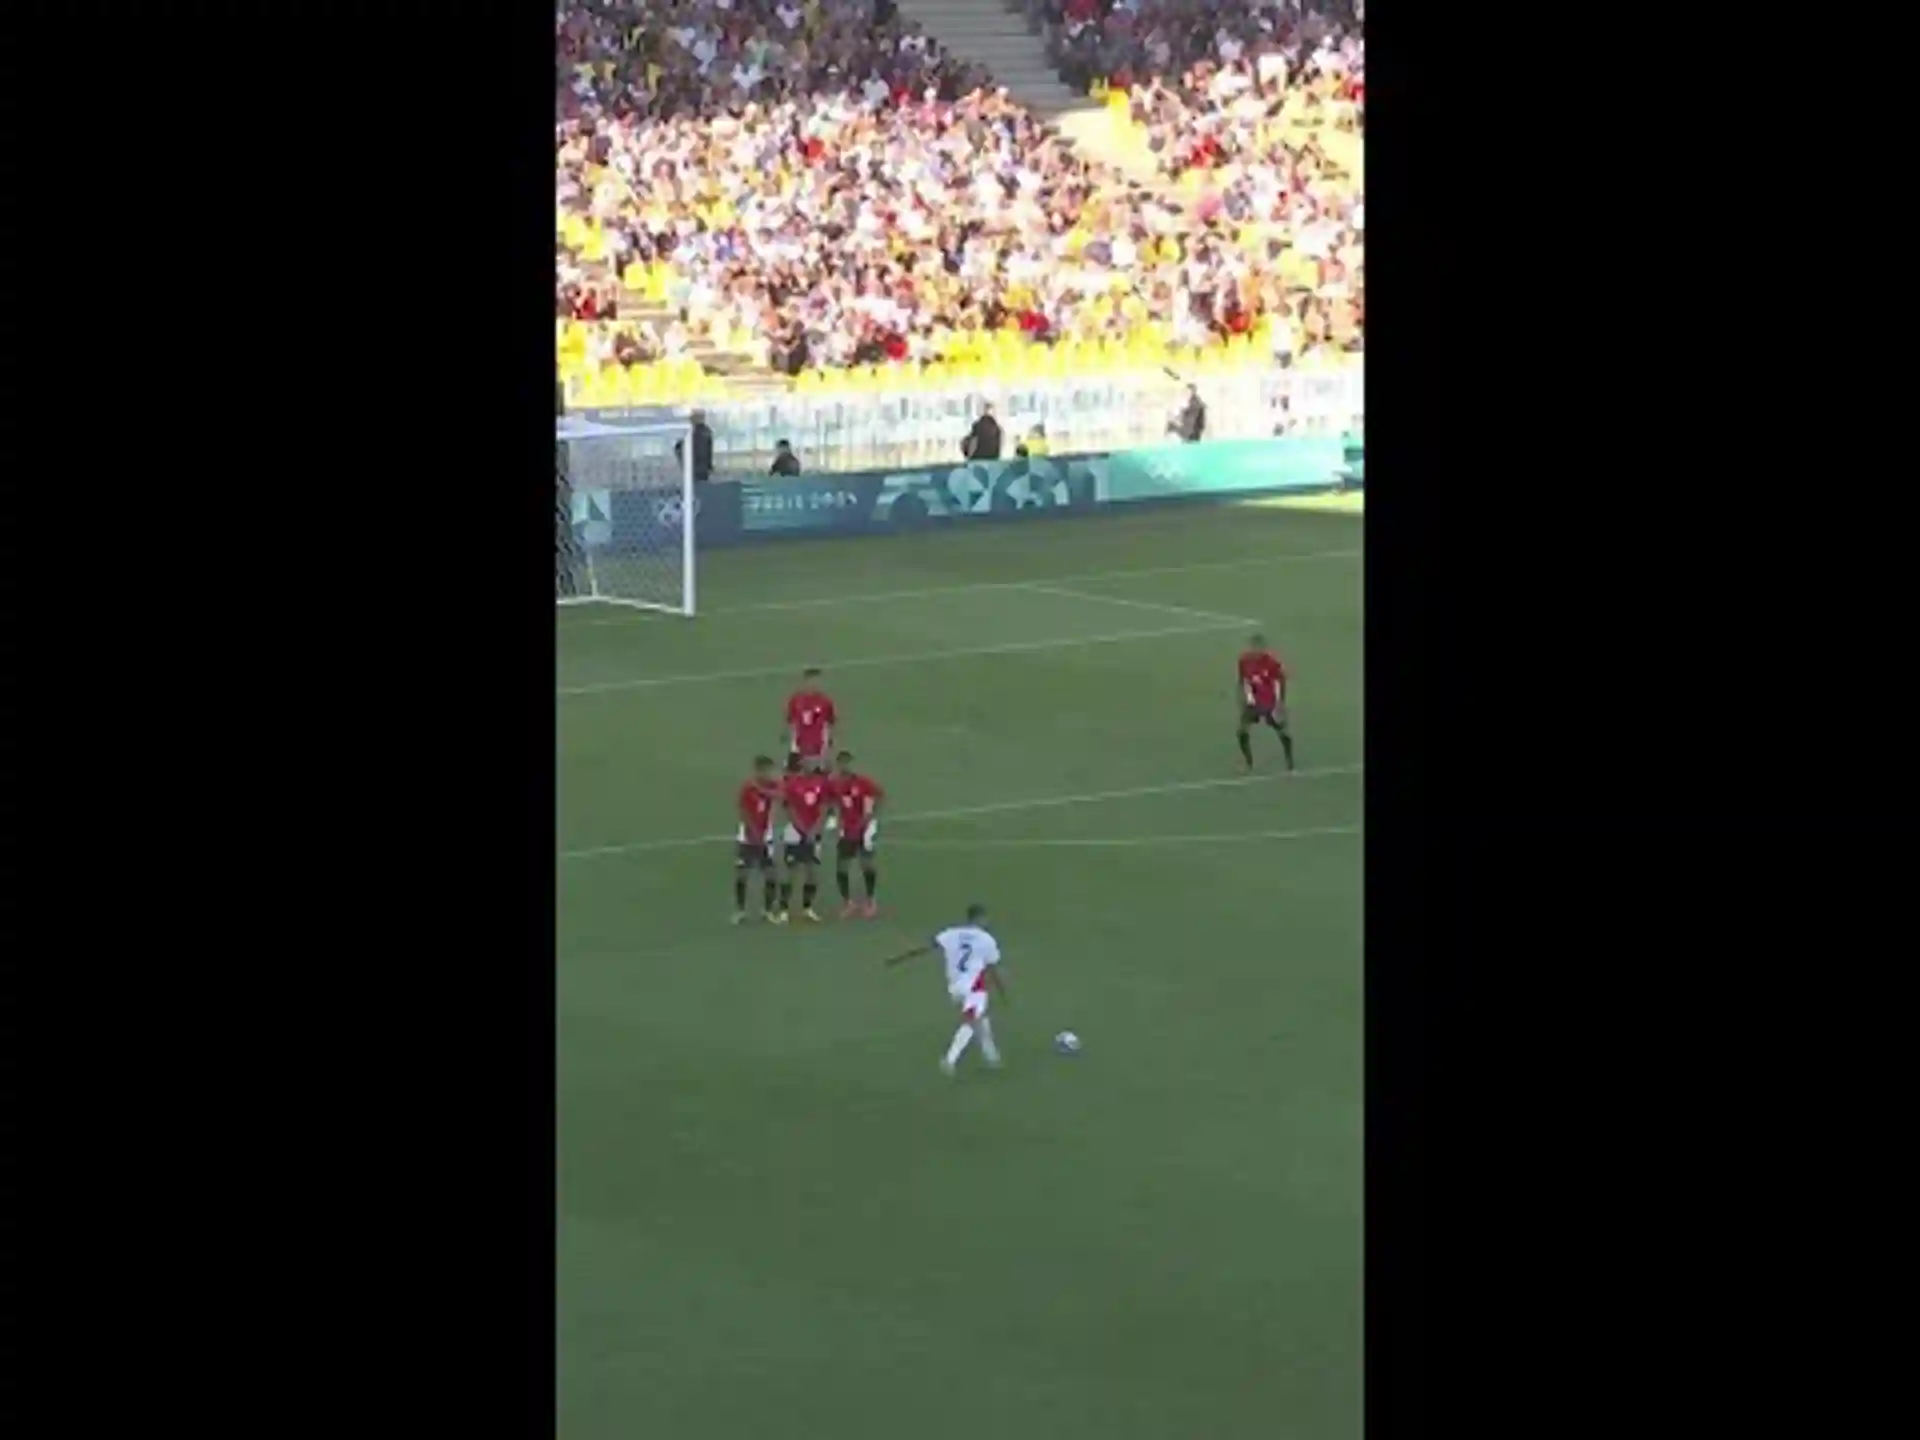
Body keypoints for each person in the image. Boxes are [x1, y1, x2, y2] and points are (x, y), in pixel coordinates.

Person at [884, 903, 1007, 1075]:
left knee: (980, 1019)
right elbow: (993, 969)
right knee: (972, 1021)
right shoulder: (986, 939)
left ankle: (992, 1057)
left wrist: (897, 959)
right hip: (974, 986)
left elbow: (923, 948)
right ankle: (949, 1060)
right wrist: (1003, 993)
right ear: (980, 918)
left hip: (955, 987)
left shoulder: (951, 933)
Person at [827, 750, 885, 918]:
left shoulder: (863, 782)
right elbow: (831, 801)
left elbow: (877, 797)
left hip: (863, 828)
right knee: (842, 866)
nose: (845, 766)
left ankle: (871, 901)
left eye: (848, 763)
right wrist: (833, 821)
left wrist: (871, 820)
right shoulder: (834, 783)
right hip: (847, 829)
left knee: (866, 863)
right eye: (842, 763)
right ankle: (848, 903)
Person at [774, 764, 835, 924]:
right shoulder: (792, 783)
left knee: (812, 872)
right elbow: (790, 809)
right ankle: (783, 910)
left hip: (813, 834)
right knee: (791, 872)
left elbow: (824, 808)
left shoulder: (821, 784)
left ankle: (807, 908)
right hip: (794, 833)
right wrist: (802, 829)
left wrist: (815, 830)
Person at [731, 756, 783, 925]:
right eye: (764, 770)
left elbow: (780, 796)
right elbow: (743, 811)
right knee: (742, 873)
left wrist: (760, 789)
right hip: (747, 836)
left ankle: (767, 911)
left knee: (770, 874)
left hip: (766, 835)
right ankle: (740, 911)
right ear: (757, 770)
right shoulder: (747, 788)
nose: (768, 774)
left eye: (769, 770)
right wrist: (752, 832)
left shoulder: (770, 786)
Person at [1236, 632, 1296, 772]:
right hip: (1253, 702)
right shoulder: (1244, 660)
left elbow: (1280, 682)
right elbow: (1243, 680)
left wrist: (1280, 704)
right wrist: (1243, 698)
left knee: (1282, 732)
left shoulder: (1272, 662)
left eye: (1259, 648)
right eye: (1253, 647)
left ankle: (1290, 762)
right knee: (1242, 731)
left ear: (1263, 648)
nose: (1256, 651)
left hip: (1270, 702)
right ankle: (1248, 763)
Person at [782, 667, 837, 774]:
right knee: (792, 775)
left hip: (819, 745)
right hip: (798, 745)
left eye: (817, 681)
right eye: (812, 681)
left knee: (821, 776)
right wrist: (786, 733)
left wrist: (831, 738)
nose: (815, 684)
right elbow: (790, 719)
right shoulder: (796, 700)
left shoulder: (825, 701)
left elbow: (832, 721)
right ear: (805, 682)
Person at [673, 409, 715, 483]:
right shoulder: (705, 432)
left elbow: (681, 448)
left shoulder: (698, 434)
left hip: (695, 469)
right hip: (701, 469)